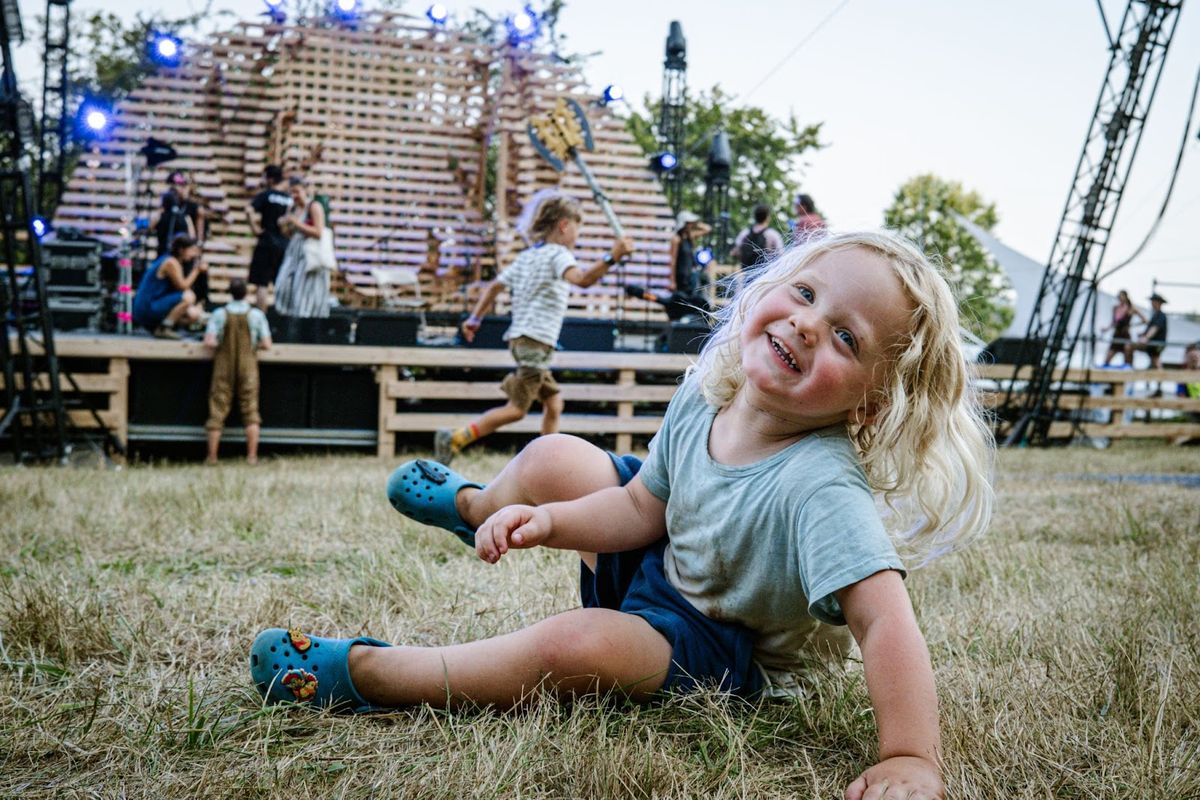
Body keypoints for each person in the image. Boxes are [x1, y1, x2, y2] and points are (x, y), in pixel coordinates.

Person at [251, 230, 995, 800]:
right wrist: (554, 523)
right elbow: (641, 506)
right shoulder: (711, 391)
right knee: (553, 459)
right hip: (659, 544)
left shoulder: (823, 489)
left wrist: (910, 756)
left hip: (705, 635)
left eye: (845, 337)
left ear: (868, 402)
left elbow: (885, 620)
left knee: (575, 644)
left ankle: (371, 674)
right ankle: (475, 506)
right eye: (805, 295)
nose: (808, 324)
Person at [434, 195, 634, 464]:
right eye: (578, 228)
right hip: (535, 341)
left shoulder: (527, 257)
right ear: (564, 226)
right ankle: (457, 438)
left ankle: (545, 458)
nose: (578, 236)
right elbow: (583, 279)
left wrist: (474, 319)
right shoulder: (559, 255)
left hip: (523, 339)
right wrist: (613, 257)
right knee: (517, 410)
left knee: (554, 404)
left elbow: (494, 286)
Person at [203, 277, 272, 465]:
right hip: (248, 365)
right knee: (250, 408)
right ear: (246, 293)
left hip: (223, 365)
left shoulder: (219, 313)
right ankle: (252, 456)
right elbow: (266, 344)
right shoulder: (256, 315)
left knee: (217, 408)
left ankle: (212, 456)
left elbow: (209, 341)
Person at [273, 175, 331, 318]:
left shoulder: (314, 206)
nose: (294, 196)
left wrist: (296, 222)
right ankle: (289, 319)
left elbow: (318, 232)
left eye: (297, 191)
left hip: (309, 254)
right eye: (291, 192)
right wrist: (284, 224)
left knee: (307, 293)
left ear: (305, 190)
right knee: (283, 286)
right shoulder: (292, 207)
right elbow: (288, 233)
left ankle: (307, 325)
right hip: (294, 252)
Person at [131, 234, 207, 339]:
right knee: (188, 296)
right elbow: (183, 287)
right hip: (147, 308)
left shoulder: (172, 261)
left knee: (193, 314)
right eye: (191, 250)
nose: (193, 254)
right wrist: (197, 270)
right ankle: (164, 328)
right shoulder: (170, 262)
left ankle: (162, 327)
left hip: (155, 304)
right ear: (181, 250)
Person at [153, 170, 208, 305]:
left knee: (186, 284)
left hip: (185, 255)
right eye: (176, 186)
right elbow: (152, 224)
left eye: (183, 186)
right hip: (165, 252)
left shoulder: (193, 208)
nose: (179, 189)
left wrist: (196, 252)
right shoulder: (166, 207)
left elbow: (197, 237)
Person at [246, 165, 293, 310]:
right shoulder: (289, 199)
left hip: (266, 242)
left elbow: (248, 210)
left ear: (270, 179)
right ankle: (280, 314)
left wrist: (255, 229)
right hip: (284, 244)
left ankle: (261, 315)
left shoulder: (266, 195)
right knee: (281, 281)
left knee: (262, 283)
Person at [729, 203, 785, 273]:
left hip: (748, 274)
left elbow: (735, 252)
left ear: (755, 216)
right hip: (766, 274)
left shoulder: (745, 233)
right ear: (767, 217)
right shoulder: (773, 234)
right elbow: (781, 255)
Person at [668, 211, 711, 295]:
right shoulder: (676, 239)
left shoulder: (689, 237)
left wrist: (696, 223)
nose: (691, 225)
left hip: (690, 275)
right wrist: (672, 281)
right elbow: (672, 261)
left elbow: (707, 229)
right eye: (689, 223)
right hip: (680, 276)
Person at [1100, 289, 1144, 367]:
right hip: (1117, 334)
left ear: (1126, 297)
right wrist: (1106, 329)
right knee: (1108, 357)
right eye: (1119, 296)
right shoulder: (1115, 308)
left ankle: (1127, 370)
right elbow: (1113, 322)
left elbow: (1144, 320)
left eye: (1121, 296)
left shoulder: (1131, 308)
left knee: (1127, 356)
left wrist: (1131, 325)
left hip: (1125, 335)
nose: (1120, 298)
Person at [1133, 293, 1168, 370]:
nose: (1152, 303)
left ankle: (1161, 377)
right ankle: (1160, 378)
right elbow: (1152, 328)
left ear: (1158, 303)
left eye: (1153, 301)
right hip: (1153, 343)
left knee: (1155, 358)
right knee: (1154, 360)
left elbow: (1155, 328)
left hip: (1157, 344)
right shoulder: (1155, 315)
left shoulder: (1160, 315)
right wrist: (1143, 334)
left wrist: (1146, 337)